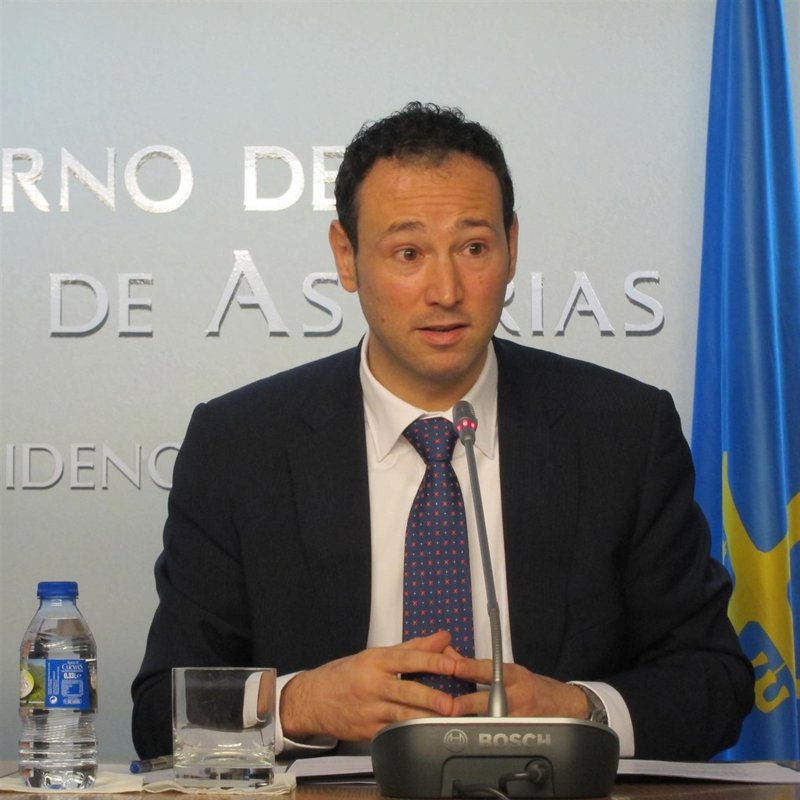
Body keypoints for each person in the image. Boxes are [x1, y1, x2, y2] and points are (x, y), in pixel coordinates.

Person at [131, 102, 753, 762]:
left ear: (512, 246)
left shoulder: (622, 432)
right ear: (346, 257)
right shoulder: (240, 446)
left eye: (474, 248)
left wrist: (579, 711)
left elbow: (713, 682)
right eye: (408, 253)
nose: (446, 290)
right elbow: (160, 714)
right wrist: (299, 703)